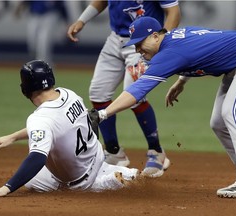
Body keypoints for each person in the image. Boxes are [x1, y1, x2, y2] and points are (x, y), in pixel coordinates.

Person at [89, 16, 236, 199]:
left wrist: (104, 113)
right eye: (134, 45)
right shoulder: (175, 37)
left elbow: (136, 91)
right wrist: (181, 81)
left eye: (140, 43)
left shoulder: (169, 53)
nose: (137, 49)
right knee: (218, 123)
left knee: (233, 112)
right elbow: (204, 47)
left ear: (155, 36)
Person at [0, 60, 139, 197]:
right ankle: (115, 173)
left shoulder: (39, 119)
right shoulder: (68, 94)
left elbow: (37, 158)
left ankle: (107, 182)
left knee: (32, 177)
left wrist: (6, 188)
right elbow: (56, 126)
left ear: (26, 89)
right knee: (32, 180)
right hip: (96, 157)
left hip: (80, 181)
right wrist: (13, 137)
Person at [67, 0, 181, 178]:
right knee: (98, 93)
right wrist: (82, 20)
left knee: (134, 94)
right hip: (115, 39)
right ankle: (114, 152)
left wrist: (160, 42)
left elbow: (173, 12)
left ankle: (156, 151)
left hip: (144, 41)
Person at [14, 1, 70, 66]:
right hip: (34, 15)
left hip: (50, 16)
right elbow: (25, 1)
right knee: (32, 45)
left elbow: (62, 5)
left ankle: (47, 70)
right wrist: (19, 8)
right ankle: (35, 68)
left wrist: (67, 21)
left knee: (43, 46)